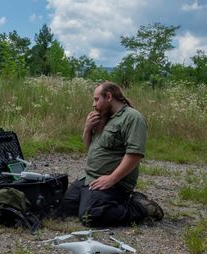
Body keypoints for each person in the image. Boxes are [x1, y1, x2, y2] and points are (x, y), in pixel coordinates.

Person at [59, 81, 163, 227]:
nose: (93, 104)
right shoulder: (104, 117)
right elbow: (91, 147)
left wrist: (111, 179)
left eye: (96, 99)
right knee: (65, 208)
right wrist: (87, 129)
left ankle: (142, 208)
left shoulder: (132, 117)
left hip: (115, 182)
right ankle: (101, 200)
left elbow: (135, 154)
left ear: (108, 96)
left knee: (90, 215)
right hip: (89, 178)